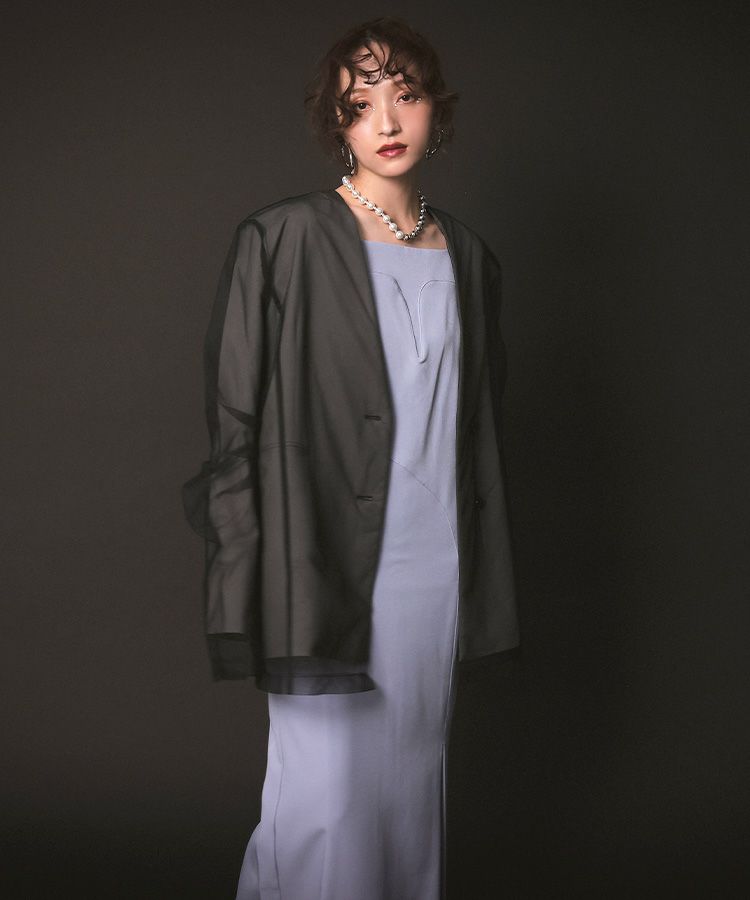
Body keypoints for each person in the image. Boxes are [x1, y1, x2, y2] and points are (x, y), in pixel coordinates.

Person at [181, 15, 520, 900]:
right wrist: (250, 560)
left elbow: (475, 426)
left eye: (406, 95)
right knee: (325, 794)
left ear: (436, 108)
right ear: (338, 124)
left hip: (433, 562)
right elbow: (236, 418)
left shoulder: (470, 257)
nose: (387, 121)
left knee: (409, 785)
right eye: (360, 103)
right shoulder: (284, 238)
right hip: (320, 557)